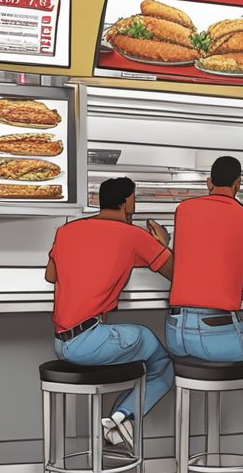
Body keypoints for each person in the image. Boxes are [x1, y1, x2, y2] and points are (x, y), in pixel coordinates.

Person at [46, 177, 174, 449]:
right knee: (162, 365)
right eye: (134, 198)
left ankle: (119, 421)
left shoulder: (67, 231)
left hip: (61, 344)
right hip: (92, 341)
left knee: (138, 344)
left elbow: (51, 275)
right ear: (126, 201)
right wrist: (163, 243)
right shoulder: (133, 235)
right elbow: (176, 273)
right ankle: (122, 416)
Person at [166, 156, 243, 362]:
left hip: (175, 333)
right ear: (238, 184)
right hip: (214, 333)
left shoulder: (183, 210)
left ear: (209, 183)